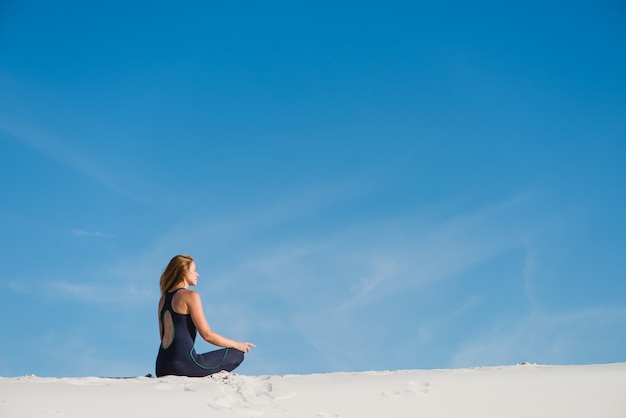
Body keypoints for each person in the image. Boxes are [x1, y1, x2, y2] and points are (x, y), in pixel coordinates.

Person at [155, 254, 255, 377]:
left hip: (161, 366)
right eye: (194, 271)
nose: (197, 274)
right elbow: (207, 335)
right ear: (184, 272)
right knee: (237, 354)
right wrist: (237, 344)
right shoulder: (190, 296)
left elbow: (163, 337)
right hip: (183, 365)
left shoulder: (163, 300)